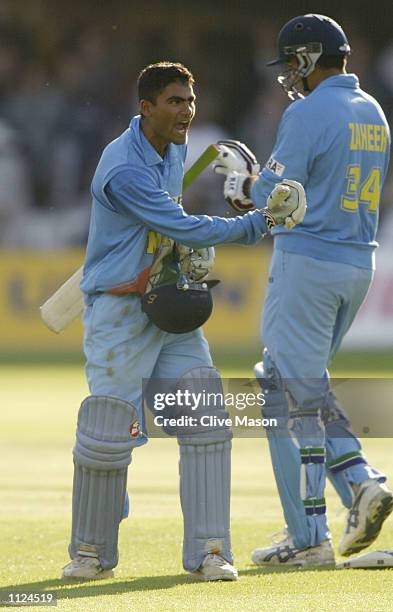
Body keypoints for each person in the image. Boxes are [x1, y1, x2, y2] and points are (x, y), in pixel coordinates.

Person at [61, 61, 306, 581]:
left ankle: (210, 551)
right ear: (145, 107)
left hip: (165, 305)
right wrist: (254, 224)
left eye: (190, 101)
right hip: (118, 311)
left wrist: (179, 256)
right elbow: (176, 221)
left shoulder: (172, 151)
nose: (186, 111)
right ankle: (91, 553)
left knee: (206, 420)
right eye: (174, 101)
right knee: (109, 434)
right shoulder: (123, 167)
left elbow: (169, 227)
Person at [214, 14, 392, 567]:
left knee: (292, 390)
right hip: (357, 263)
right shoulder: (374, 111)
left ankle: (355, 488)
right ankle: (313, 528)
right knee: (286, 389)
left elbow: (272, 194)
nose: (290, 74)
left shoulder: (308, 111)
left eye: (294, 62)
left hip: (309, 261)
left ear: (311, 57)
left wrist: (241, 183)